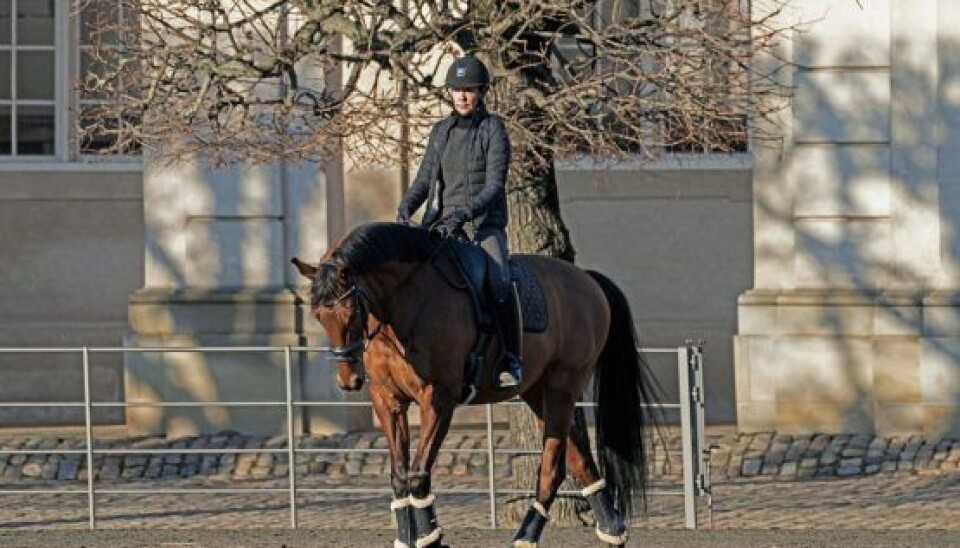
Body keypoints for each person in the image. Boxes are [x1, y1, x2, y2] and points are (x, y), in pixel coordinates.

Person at [396, 55, 522, 390]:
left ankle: (510, 357)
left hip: (483, 226)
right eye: (457, 90)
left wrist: (465, 213)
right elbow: (424, 180)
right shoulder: (440, 132)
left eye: (469, 90)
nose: (462, 96)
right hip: (442, 227)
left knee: (499, 280)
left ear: (481, 92)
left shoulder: (493, 129)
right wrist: (406, 206)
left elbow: (494, 186)